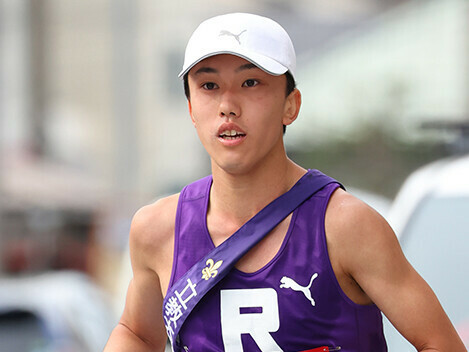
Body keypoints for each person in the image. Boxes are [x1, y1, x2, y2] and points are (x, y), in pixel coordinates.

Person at [104, 12, 466, 352]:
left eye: (250, 82)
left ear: (290, 105)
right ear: (191, 110)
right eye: (209, 85)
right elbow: (135, 332)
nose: (228, 105)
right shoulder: (157, 230)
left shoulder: (345, 226)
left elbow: (441, 343)